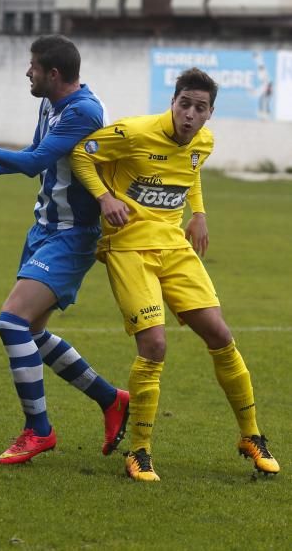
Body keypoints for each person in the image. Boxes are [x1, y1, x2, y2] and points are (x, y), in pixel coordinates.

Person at [71, 67, 280, 482]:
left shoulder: (204, 140)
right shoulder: (133, 132)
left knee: (220, 334)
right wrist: (104, 197)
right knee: (155, 343)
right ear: (173, 102)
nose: (189, 113)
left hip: (174, 247)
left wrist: (199, 213)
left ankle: (251, 436)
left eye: (199, 108)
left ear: (209, 113)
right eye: (184, 103)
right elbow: (82, 153)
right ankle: (140, 452)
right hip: (129, 247)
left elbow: (192, 169)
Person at [0, 35, 129, 465]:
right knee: (33, 333)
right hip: (43, 230)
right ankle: (111, 399)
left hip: (72, 235)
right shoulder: (51, 103)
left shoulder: (83, 111)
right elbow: (34, 158)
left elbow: (34, 162)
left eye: (33, 67)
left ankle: (38, 430)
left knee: (11, 323)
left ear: (53, 74)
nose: (27, 72)